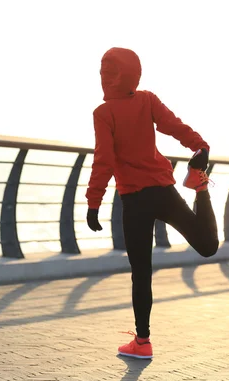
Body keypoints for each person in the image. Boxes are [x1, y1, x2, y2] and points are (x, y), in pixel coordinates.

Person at [85, 47, 219, 359]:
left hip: (134, 200)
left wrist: (93, 203)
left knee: (141, 272)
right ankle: (200, 187)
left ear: (110, 77)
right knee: (207, 246)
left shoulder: (103, 114)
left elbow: (103, 160)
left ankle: (142, 343)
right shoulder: (147, 99)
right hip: (163, 189)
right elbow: (173, 125)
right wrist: (199, 145)